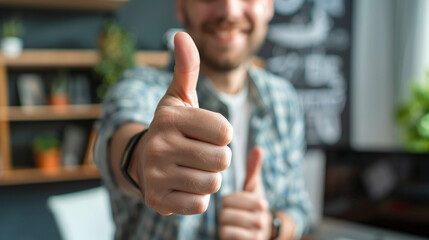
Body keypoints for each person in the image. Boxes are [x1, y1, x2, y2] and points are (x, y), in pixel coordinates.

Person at [94, 0, 312, 239]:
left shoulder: (283, 99)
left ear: (268, 6)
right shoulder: (139, 89)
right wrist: (141, 158)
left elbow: (299, 208)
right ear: (181, 7)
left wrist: (271, 225)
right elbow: (121, 143)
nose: (230, 10)